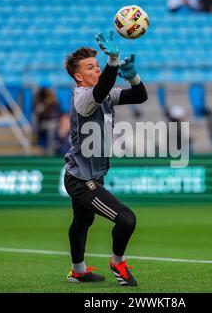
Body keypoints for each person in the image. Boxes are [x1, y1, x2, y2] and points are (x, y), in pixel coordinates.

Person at [63, 31, 148, 286]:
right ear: (79, 77)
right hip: (81, 179)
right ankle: (117, 263)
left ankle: (78, 271)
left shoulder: (103, 94)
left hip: (90, 175)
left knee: (82, 220)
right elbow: (100, 91)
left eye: (98, 65)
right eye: (91, 67)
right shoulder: (82, 97)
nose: (97, 69)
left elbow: (139, 96)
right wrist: (112, 61)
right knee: (126, 219)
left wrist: (132, 76)